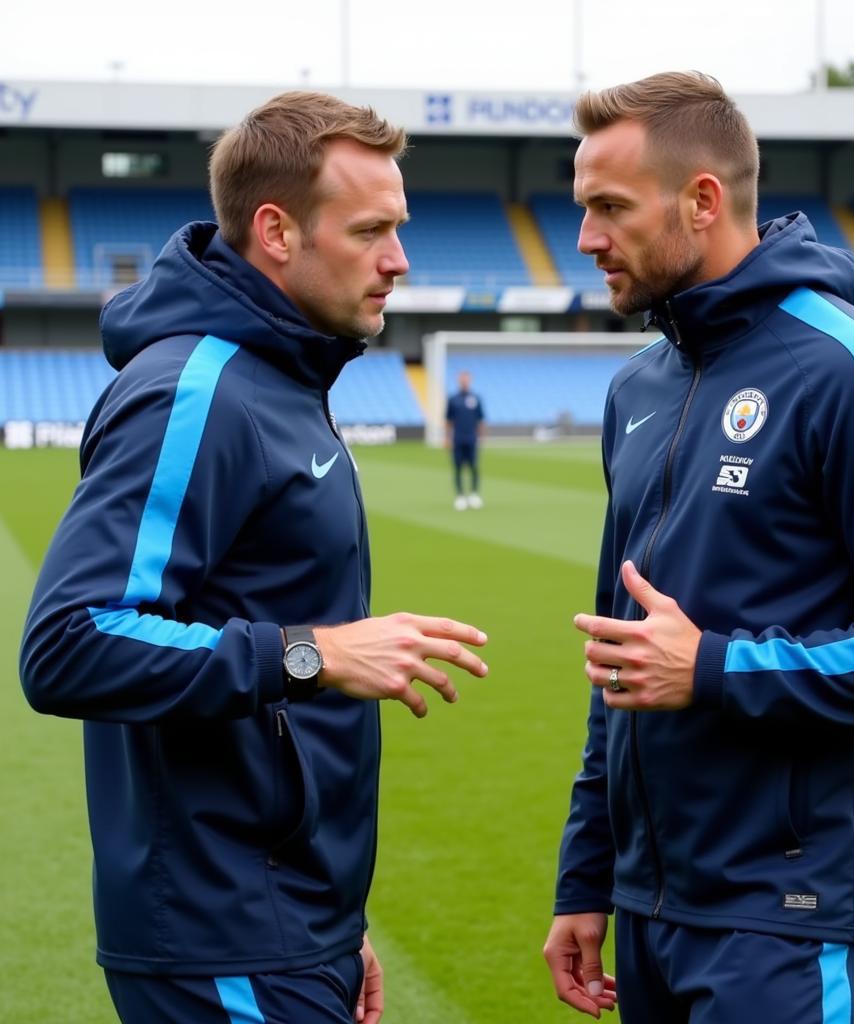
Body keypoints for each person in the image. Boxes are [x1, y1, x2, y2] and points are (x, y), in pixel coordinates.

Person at [20, 91, 489, 1024]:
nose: (399, 261)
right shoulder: (199, 391)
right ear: (276, 231)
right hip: (221, 939)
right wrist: (316, 652)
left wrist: (329, 920)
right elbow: (68, 641)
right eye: (370, 231)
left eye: (399, 228)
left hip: (282, 923)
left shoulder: (282, 378)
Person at [542, 71, 854, 1024]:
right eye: (582, 209)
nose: (584, 239)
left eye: (609, 208)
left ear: (702, 200)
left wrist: (717, 669)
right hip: (653, 908)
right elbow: (623, 659)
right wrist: (588, 872)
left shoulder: (853, 372)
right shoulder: (640, 386)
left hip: (799, 918)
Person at [445, 369, 485, 510]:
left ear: (470, 380)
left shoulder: (476, 398)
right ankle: (460, 496)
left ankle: (474, 494)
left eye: (466, 379)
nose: (464, 381)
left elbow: (480, 420)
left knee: (474, 467)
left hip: (471, 438)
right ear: (458, 380)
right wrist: (448, 438)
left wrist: (480, 437)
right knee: (458, 467)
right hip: (457, 438)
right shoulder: (453, 399)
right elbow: (449, 420)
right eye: (462, 379)